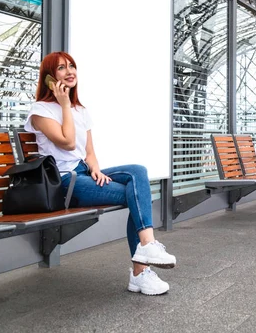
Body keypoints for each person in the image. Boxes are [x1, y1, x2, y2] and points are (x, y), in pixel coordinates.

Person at [24, 51, 176, 296]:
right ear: (50, 78)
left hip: (84, 174)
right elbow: (69, 142)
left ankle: (146, 249)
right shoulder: (40, 110)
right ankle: (140, 270)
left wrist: (95, 169)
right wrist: (63, 105)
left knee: (138, 172)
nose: (70, 71)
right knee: (134, 195)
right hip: (65, 182)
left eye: (72, 66)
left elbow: (89, 152)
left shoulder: (80, 110)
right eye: (62, 68)